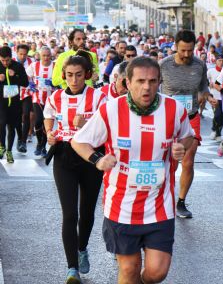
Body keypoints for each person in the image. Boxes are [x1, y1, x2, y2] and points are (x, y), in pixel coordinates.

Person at [71, 56, 197, 284]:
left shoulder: (174, 110)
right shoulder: (110, 110)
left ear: (160, 82)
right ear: (127, 83)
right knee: (129, 270)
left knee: (157, 272)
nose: (146, 87)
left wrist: (182, 147)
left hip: (159, 205)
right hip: (122, 206)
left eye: (152, 81)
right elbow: (79, 141)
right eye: (140, 81)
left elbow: (188, 135)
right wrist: (98, 160)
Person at [43, 53, 106, 283]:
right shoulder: (56, 97)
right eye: (69, 75)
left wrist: (87, 123)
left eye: (79, 75)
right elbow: (48, 117)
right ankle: (72, 268)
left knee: (87, 212)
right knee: (70, 214)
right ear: (63, 76)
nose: (74, 80)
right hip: (64, 156)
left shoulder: (98, 97)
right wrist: (49, 133)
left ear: (87, 75)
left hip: (91, 157)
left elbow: (106, 127)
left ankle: (82, 249)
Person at [159, 29, 215, 219]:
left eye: (190, 51)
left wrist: (206, 95)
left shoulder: (199, 65)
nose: (186, 55)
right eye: (183, 51)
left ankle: (181, 202)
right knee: (170, 163)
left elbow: (203, 86)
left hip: (190, 118)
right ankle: (164, 197)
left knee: (188, 162)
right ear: (175, 47)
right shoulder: (163, 66)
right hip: (168, 120)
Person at [0, 46, 28, 163]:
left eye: (7, 60)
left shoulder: (17, 66)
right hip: (1, 102)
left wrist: (15, 76)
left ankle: (9, 151)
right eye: (2, 60)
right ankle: (2, 146)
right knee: (1, 124)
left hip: (14, 102)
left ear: (11, 58)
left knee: (11, 127)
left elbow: (25, 83)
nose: (5, 63)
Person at [26, 46, 54, 156]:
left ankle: (43, 146)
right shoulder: (34, 65)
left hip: (51, 99)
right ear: (39, 55)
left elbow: (61, 80)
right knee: (38, 121)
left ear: (51, 55)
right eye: (44, 56)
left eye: (48, 55)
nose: (46, 58)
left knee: (46, 124)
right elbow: (27, 76)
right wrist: (31, 84)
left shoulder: (55, 66)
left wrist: (53, 83)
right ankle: (39, 144)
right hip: (37, 97)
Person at [15, 43, 34, 153]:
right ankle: (18, 138)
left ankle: (23, 141)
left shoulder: (31, 62)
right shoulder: (11, 61)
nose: (22, 56)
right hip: (13, 93)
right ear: (16, 52)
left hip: (27, 93)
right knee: (16, 117)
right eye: (20, 54)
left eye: (25, 54)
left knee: (26, 115)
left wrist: (32, 82)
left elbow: (35, 76)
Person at [207, 55, 223, 141]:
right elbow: (204, 81)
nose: (221, 62)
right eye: (219, 60)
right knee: (217, 115)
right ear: (216, 61)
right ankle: (215, 131)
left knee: (222, 117)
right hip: (214, 97)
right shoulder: (211, 71)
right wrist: (208, 84)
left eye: (222, 60)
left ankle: (217, 133)